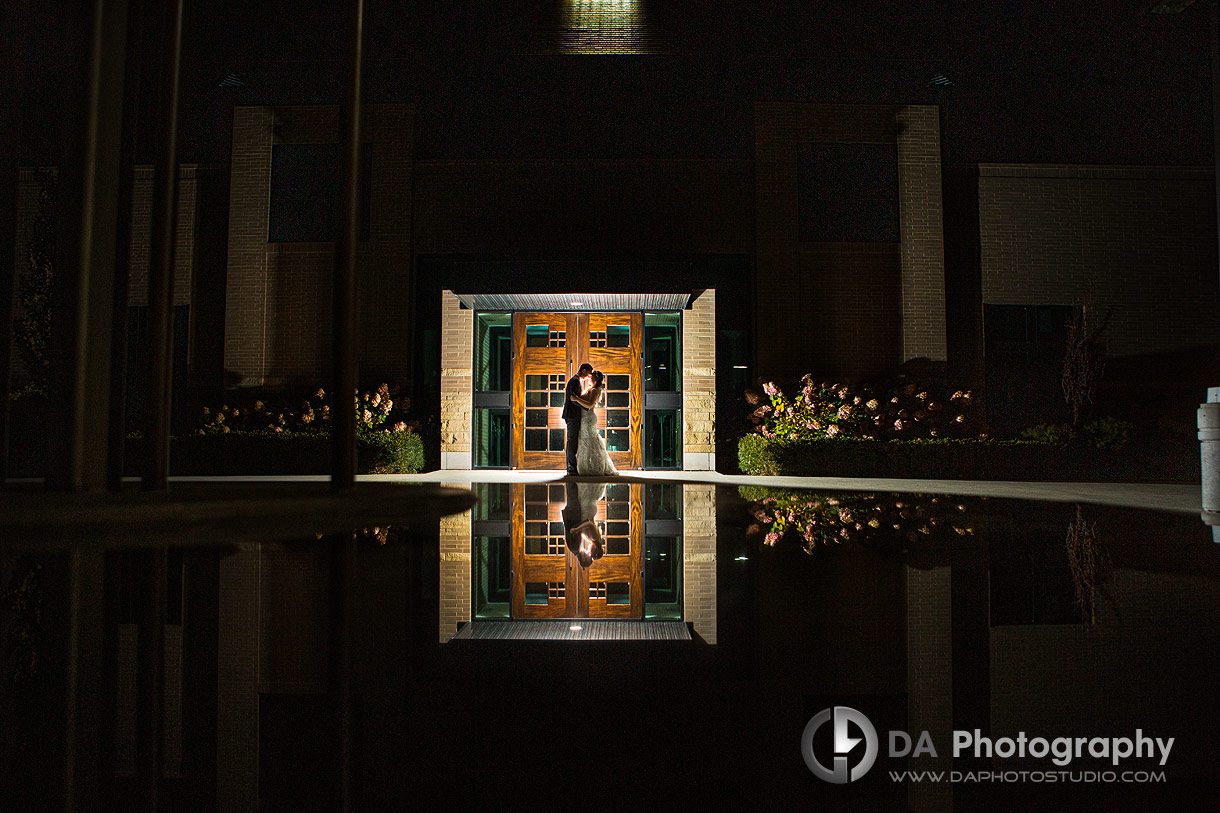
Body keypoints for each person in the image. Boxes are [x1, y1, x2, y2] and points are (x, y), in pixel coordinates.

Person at [569, 369, 619, 476]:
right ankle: (586, 466)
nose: (589, 379)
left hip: (588, 418)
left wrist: (577, 399)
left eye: (591, 377)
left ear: (595, 379)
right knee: (585, 441)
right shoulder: (590, 389)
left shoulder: (595, 390)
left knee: (590, 440)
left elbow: (590, 405)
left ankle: (595, 466)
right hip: (583, 417)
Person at [561, 363, 594, 475]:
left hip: (572, 415)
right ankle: (571, 467)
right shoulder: (574, 381)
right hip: (572, 415)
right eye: (589, 374)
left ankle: (571, 466)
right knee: (572, 440)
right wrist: (586, 408)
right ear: (583, 370)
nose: (589, 377)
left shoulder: (575, 380)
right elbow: (573, 399)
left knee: (573, 440)